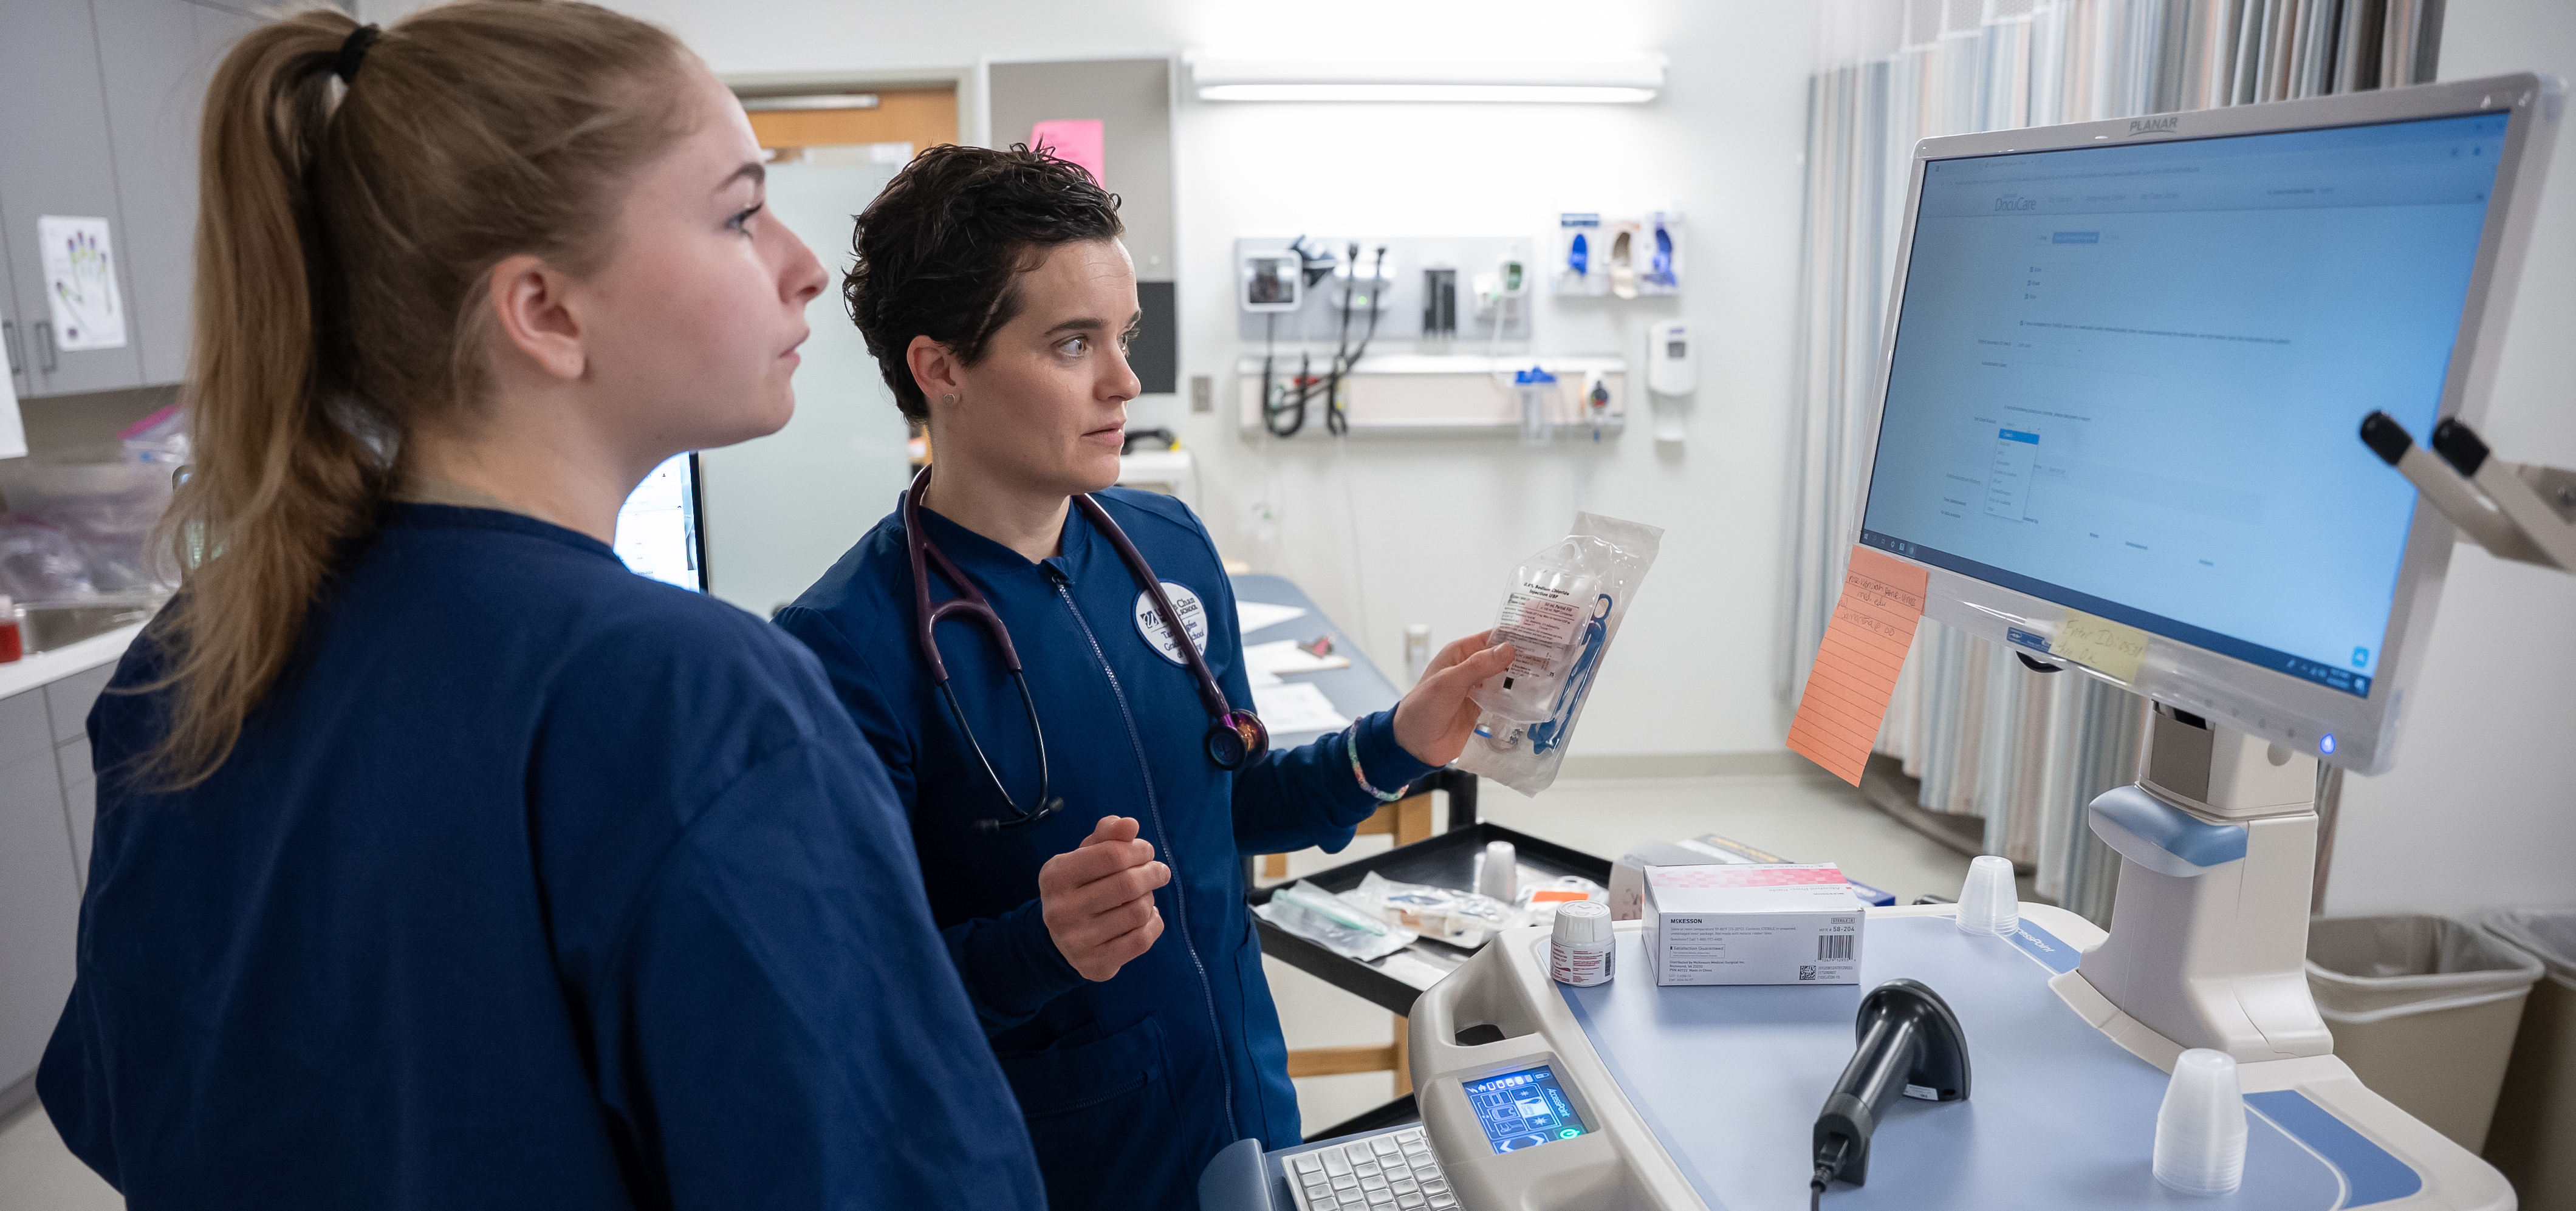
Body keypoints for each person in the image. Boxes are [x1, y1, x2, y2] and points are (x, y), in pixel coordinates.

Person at [36, 5, 1044, 1208]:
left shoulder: (194, 653)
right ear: (546, 312)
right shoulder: (693, 701)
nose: (803, 263)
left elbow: (120, 1097)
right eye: (737, 212)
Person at [773, 143, 1516, 1211]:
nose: (1125, 381)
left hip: (1246, 1109)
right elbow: (858, 1000)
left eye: (1122, 337)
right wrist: (1040, 943)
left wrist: (1400, 738)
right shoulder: (846, 647)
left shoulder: (1165, 548)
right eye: (1074, 343)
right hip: (1062, 1159)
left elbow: (1235, 801)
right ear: (940, 369)